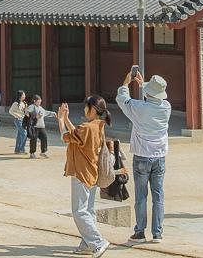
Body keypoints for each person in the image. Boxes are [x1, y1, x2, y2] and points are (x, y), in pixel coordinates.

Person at [115, 69, 170, 245]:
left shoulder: (139, 108)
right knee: (158, 195)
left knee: (141, 196)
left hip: (141, 155)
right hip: (160, 156)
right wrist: (143, 84)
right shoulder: (166, 108)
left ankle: (140, 232)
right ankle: (157, 233)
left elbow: (122, 99)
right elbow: (152, 98)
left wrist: (126, 82)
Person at [57, 95, 112, 258]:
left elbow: (66, 137)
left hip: (81, 172)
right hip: (91, 172)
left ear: (93, 109)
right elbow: (76, 134)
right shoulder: (97, 126)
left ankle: (97, 242)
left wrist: (60, 119)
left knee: (79, 211)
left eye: (86, 107)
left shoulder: (88, 128)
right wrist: (66, 118)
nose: (84, 109)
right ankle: (87, 243)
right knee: (88, 210)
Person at [26, 94, 49, 158]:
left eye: (40, 102)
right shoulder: (31, 107)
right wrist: (34, 116)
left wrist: (53, 114)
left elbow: (45, 113)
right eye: (38, 102)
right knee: (34, 139)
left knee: (44, 137)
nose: (39, 103)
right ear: (34, 101)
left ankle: (43, 152)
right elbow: (27, 113)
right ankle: (32, 153)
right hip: (34, 126)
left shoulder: (40, 108)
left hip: (41, 126)